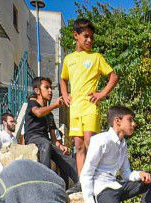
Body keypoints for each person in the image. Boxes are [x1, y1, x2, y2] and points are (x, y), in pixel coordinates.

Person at [60, 18, 118, 175]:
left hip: (90, 107)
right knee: (78, 145)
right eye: (86, 36)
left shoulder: (96, 57)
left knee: (90, 143)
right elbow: (63, 79)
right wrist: (65, 95)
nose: (89, 40)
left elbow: (113, 76)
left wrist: (102, 94)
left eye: (91, 37)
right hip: (75, 108)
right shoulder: (68, 59)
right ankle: (81, 182)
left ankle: (93, 179)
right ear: (76, 36)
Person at [25, 77, 78, 187]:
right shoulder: (32, 103)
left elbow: (54, 138)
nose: (50, 91)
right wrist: (55, 105)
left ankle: (80, 184)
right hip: (33, 138)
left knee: (69, 159)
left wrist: (61, 146)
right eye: (46, 87)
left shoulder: (49, 114)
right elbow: (38, 113)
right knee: (46, 144)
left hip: (46, 141)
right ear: (37, 91)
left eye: (51, 88)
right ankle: (44, 182)